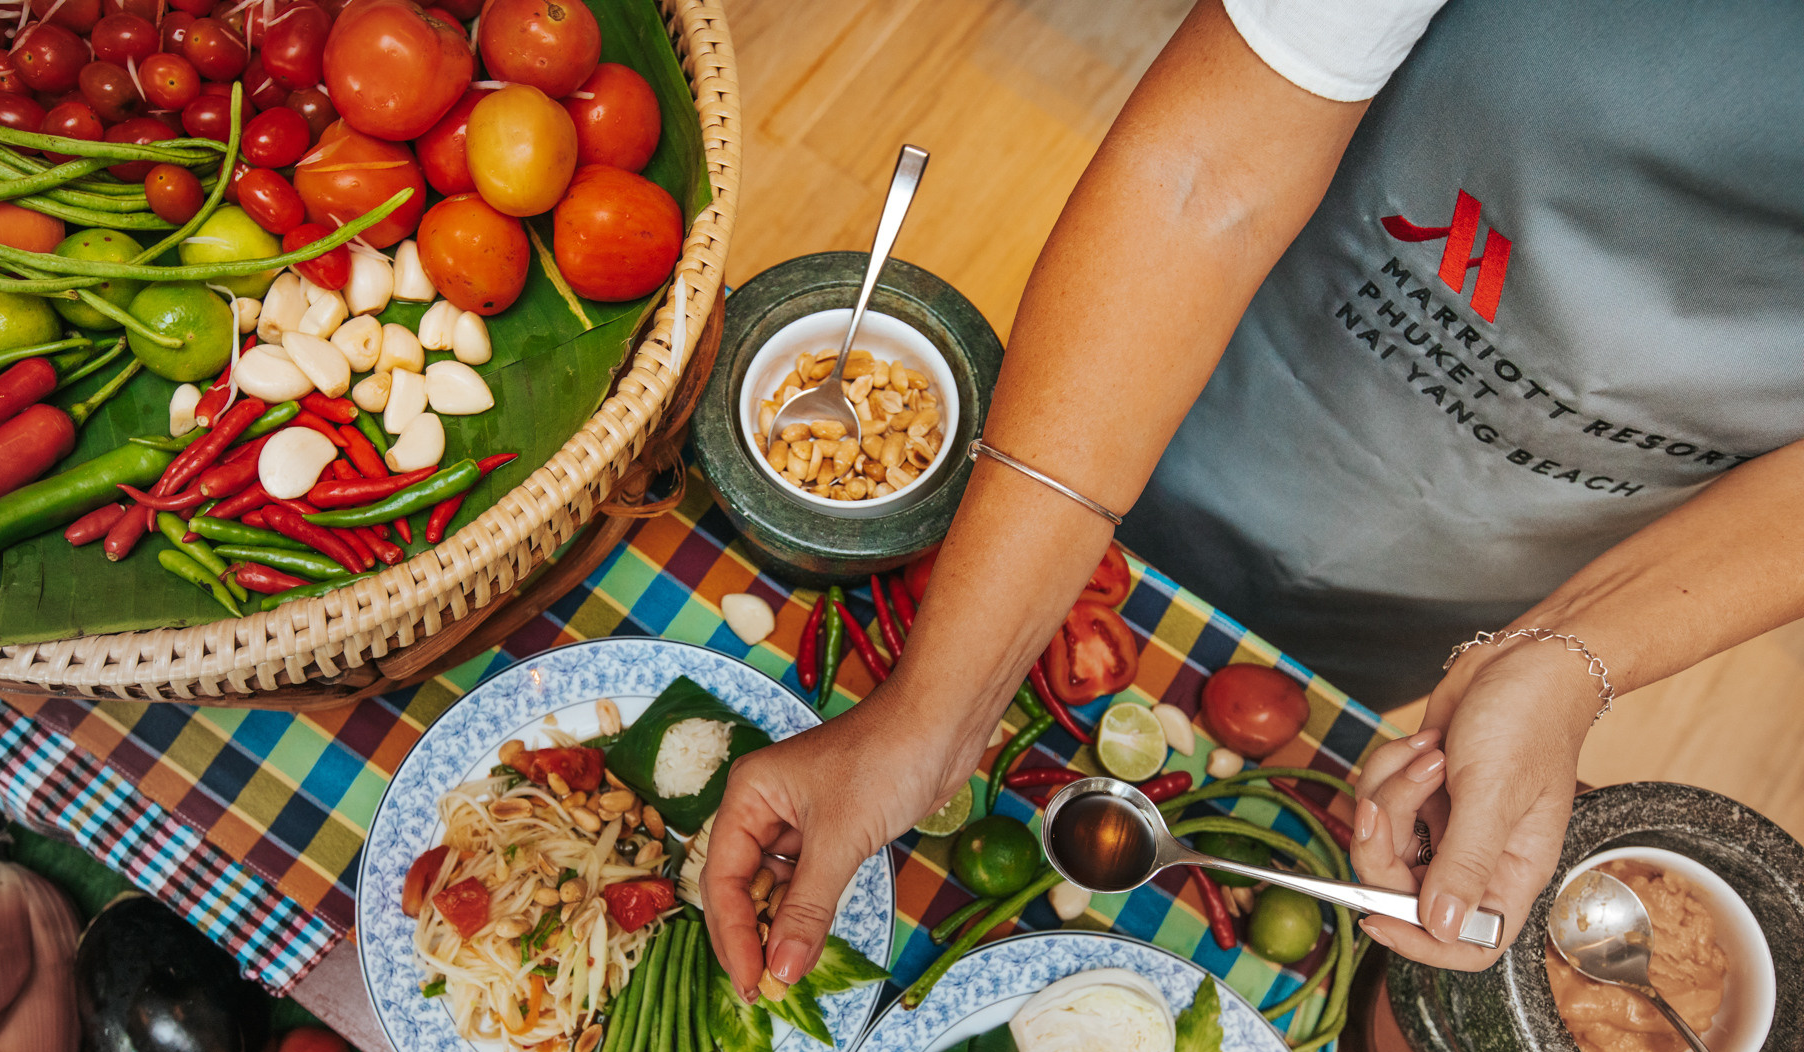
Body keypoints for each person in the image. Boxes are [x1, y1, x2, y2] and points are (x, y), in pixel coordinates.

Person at [701, 0, 1804, 1000]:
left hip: (1524, 540)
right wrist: (931, 712)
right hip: (1252, 359)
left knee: (1342, 676)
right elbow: (1203, 177)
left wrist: (1564, 655)